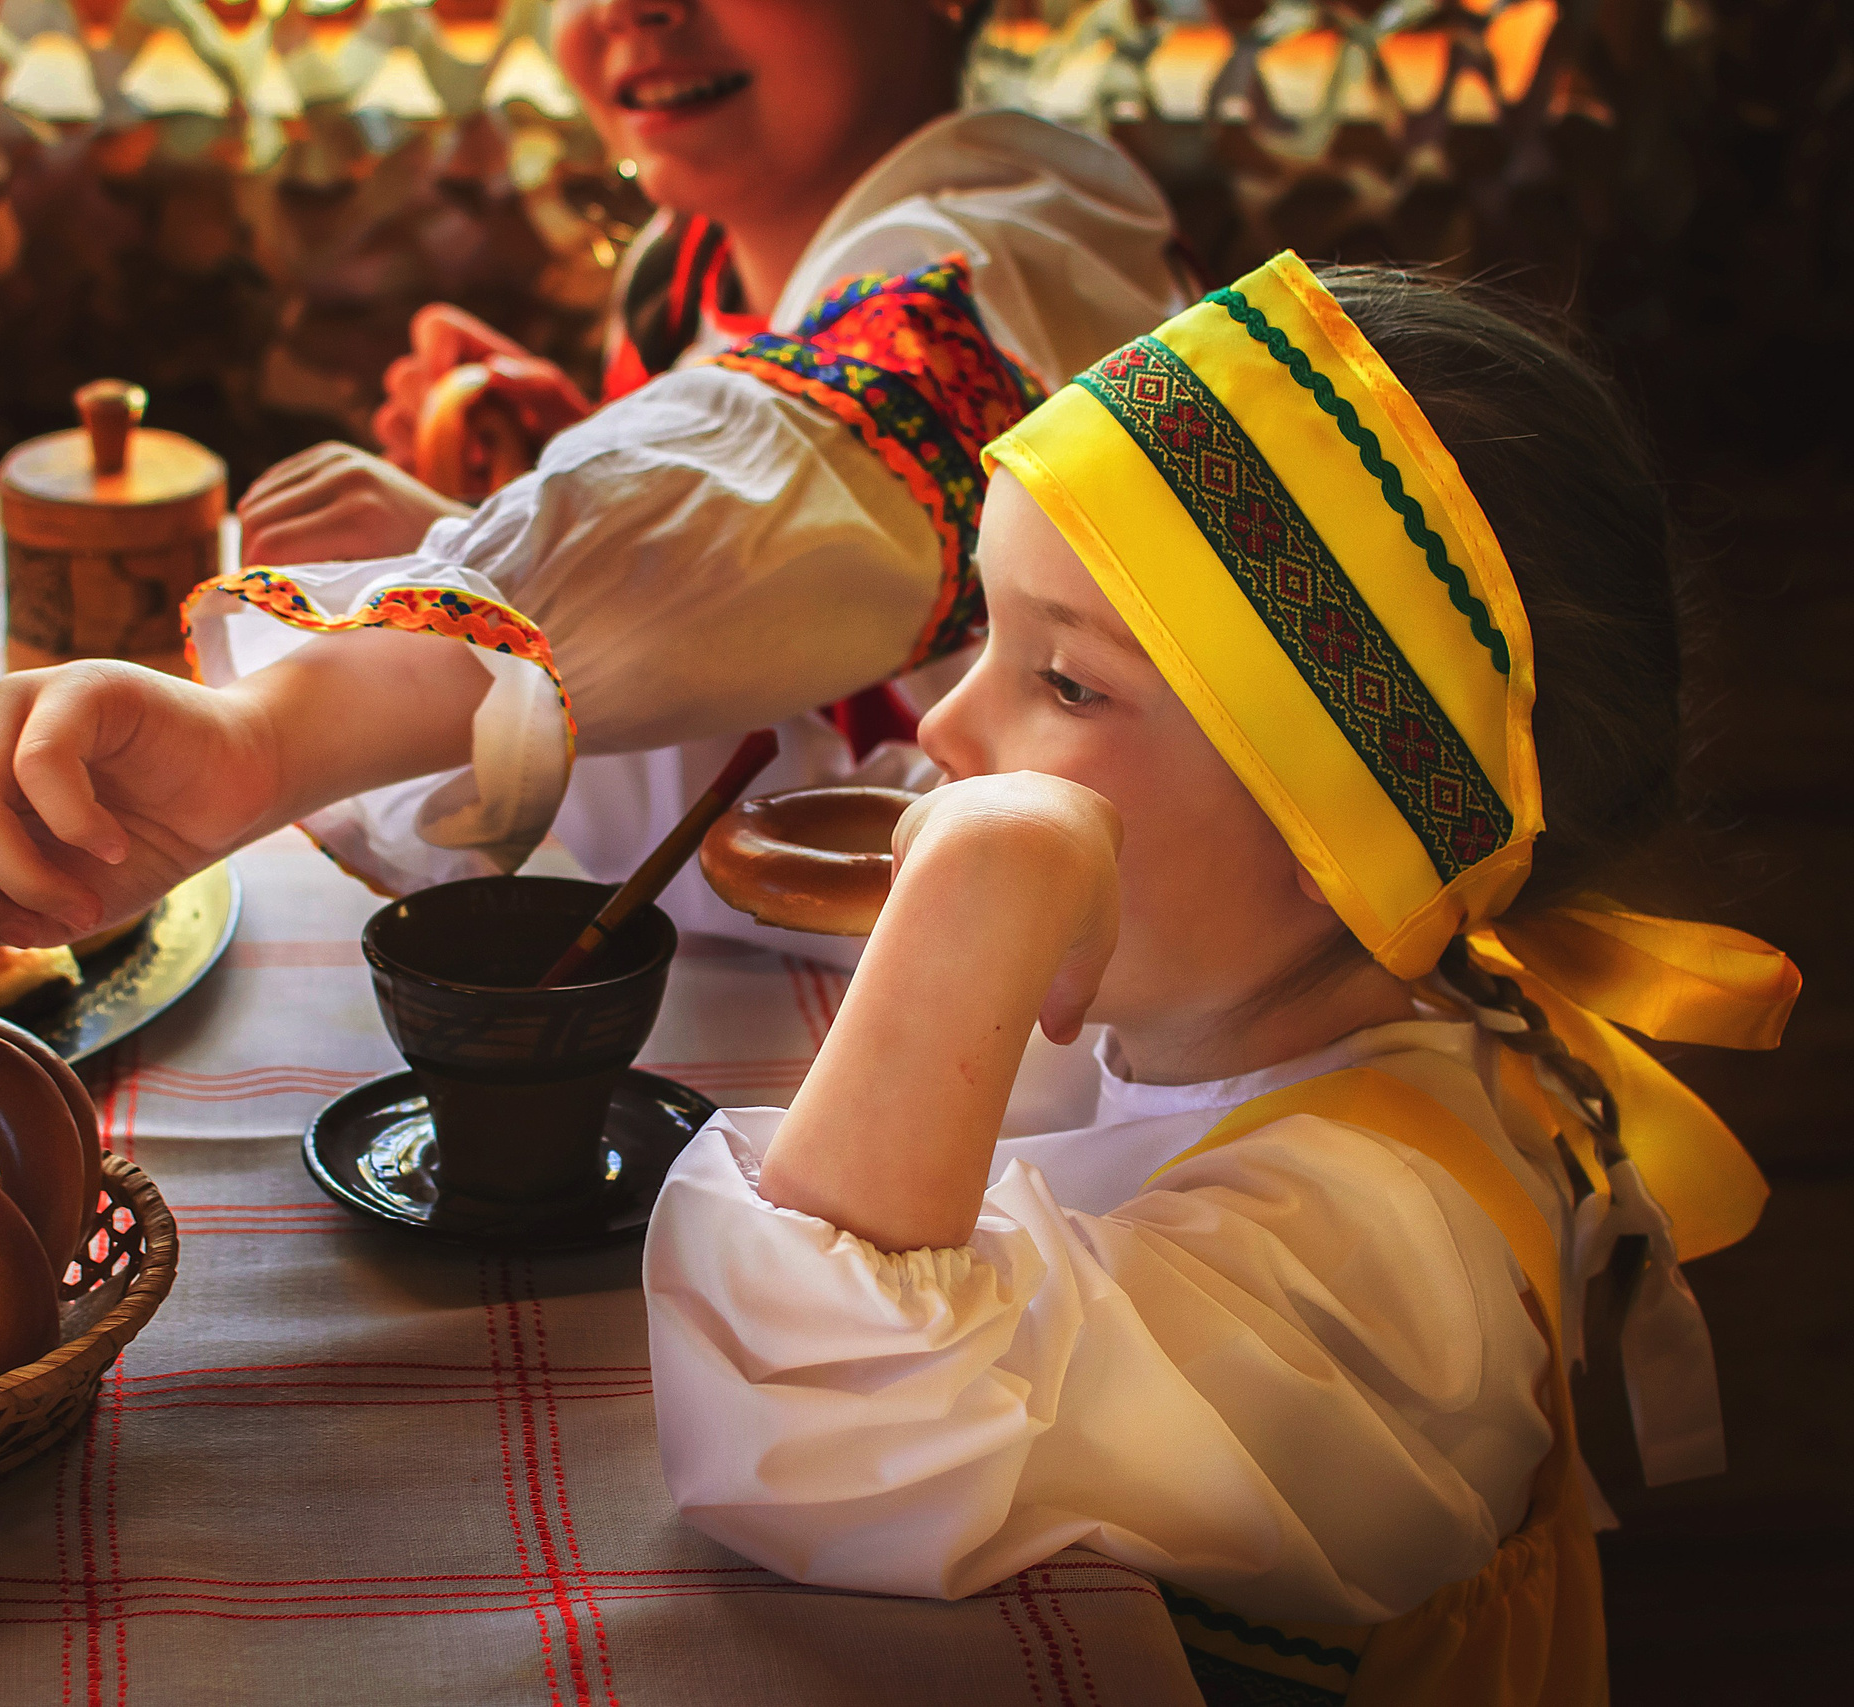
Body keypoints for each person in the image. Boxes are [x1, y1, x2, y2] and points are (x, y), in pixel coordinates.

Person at [638, 255, 1801, 1704]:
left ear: (1343, 834)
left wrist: (978, 889)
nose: (945, 724)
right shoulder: (1221, 993)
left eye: (1065, 684)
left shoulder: (1379, 1264)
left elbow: (811, 1432)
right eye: (991, 637)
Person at [0, 0, 1190, 967]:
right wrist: (517, 493)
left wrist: (272, 734)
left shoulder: (1019, 248)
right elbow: (754, 538)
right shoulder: (691, 263)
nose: (640, 10)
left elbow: (787, 482)